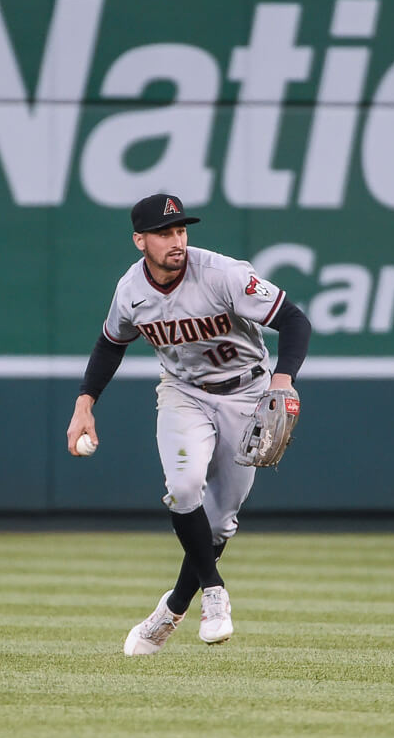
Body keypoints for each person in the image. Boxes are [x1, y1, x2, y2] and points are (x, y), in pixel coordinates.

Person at [66, 192, 312, 656]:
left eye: (180, 230)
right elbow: (109, 344)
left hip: (247, 392)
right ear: (140, 240)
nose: (176, 240)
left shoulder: (224, 274)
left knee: (219, 524)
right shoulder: (131, 291)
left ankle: (171, 610)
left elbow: (295, 321)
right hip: (184, 393)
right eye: (163, 233)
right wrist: (85, 403)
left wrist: (283, 378)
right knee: (183, 487)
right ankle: (214, 592)